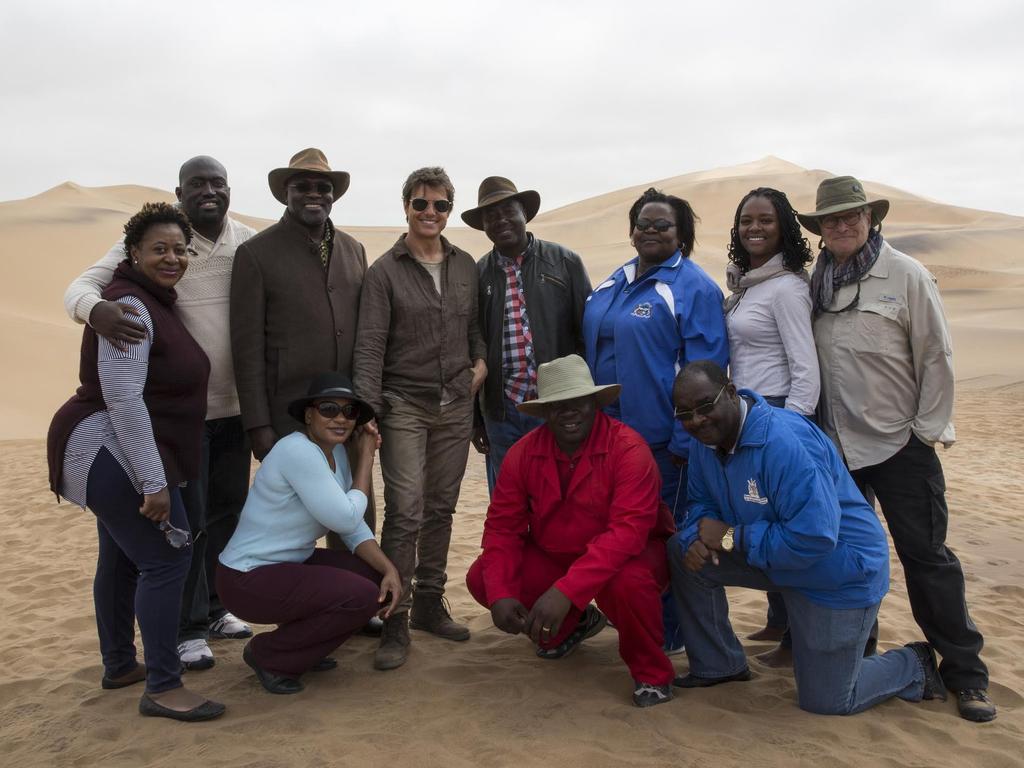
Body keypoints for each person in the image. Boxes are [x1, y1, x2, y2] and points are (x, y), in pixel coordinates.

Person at [798, 176, 995, 722]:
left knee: (927, 560)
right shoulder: (816, 283)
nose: (840, 226)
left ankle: (966, 674)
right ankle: (856, 659)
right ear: (819, 229)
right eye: (829, 220)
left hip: (898, 445)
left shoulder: (905, 274)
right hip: (837, 451)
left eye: (850, 217)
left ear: (870, 220)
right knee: (850, 560)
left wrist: (925, 432)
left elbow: (937, 354)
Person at [63, 156, 256, 671]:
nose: (209, 191)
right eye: (197, 184)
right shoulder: (158, 238)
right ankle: (187, 630)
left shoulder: (246, 240)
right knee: (185, 527)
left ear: (230, 188)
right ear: (179, 192)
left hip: (235, 408)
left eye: (218, 182)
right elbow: (80, 286)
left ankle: (216, 610)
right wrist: (97, 310)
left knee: (225, 517)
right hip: (177, 420)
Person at [669, 361, 945, 715]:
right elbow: (700, 504)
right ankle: (719, 664)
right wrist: (697, 536)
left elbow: (815, 538)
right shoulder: (705, 442)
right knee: (681, 550)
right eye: (684, 414)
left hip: (836, 571)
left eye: (705, 406)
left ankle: (913, 663)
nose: (696, 420)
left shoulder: (785, 443)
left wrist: (732, 537)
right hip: (775, 557)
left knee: (828, 700)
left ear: (732, 391)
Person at [47, 202, 224, 722]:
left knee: (123, 556)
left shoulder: (152, 299)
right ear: (132, 253)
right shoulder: (131, 308)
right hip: (110, 449)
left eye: (179, 249)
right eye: (158, 249)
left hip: (112, 448)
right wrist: (153, 484)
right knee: (167, 559)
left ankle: (121, 664)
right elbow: (124, 399)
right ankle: (165, 686)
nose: (171, 258)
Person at [466, 355, 676, 708]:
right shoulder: (522, 454)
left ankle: (651, 672)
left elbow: (627, 533)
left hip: (627, 557)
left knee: (629, 583)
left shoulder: (629, 449)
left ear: (594, 402)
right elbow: (503, 528)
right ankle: (573, 627)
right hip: (555, 554)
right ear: (545, 411)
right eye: (557, 405)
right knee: (482, 578)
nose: (568, 412)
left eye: (577, 402)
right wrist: (500, 593)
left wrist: (566, 591)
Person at [583, 187, 728, 653]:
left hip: (662, 442)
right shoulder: (614, 280)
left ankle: (673, 633)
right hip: (608, 435)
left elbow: (705, 370)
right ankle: (641, 620)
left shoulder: (694, 287)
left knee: (663, 533)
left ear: (681, 235)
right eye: (642, 224)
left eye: (662, 225)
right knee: (622, 530)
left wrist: (688, 442)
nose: (650, 231)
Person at [354, 167, 487, 671]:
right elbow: (369, 346)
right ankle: (396, 617)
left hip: (456, 401)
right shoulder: (384, 272)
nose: (430, 213)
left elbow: (474, 327)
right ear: (405, 207)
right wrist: (369, 412)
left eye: (440, 205)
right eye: (420, 204)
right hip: (404, 403)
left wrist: (480, 366)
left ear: (450, 210)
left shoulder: (465, 266)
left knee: (442, 507)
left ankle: (431, 602)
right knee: (405, 510)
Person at [216, 373, 401, 694]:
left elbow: (354, 527)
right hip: (246, 579)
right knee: (358, 596)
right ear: (308, 415)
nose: (340, 418)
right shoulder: (297, 451)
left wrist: (389, 569)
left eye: (349, 412)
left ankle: (300, 648)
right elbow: (344, 517)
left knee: (373, 581)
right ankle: (270, 655)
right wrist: (367, 458)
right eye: (329, 408)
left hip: (286, 567)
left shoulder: (336, 453)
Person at [722, 187, 819, 655]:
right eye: (746, 220)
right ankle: (779, 621)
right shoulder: (748, 285)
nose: (754, 228)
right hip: (747, 414)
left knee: (785, 522)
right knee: (766, 515)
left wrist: (792, 428)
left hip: (777, 412)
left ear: (783, 226)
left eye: (765, 220)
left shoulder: (787, 288)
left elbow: (806, 365)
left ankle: (798, 633)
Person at [462, 176, 592, 492]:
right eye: (491, 216)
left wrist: (586, 403)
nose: (501, 220)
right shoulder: (477, 274)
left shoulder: (564, 262)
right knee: (510, 500)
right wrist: (476, 420)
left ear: (525, 214)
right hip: (502, 411)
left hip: (557, 405)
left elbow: (587, 334)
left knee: (563, 494)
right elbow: (472, 345)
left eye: (509, 211)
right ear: (483, 225)